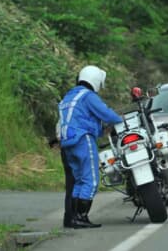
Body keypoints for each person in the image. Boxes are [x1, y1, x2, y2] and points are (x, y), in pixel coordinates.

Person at [57, 65, 122, 229]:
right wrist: (120, 120)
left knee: (79, 180)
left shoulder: (69, 96)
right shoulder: (88, 96)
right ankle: (82, 216)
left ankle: (74, 218)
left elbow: (82, 119)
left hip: (67, 142)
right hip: (82, 139)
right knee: (91, 180)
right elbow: (106, 113)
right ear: (95, 80)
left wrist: (100, 130)